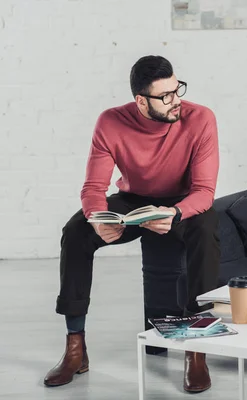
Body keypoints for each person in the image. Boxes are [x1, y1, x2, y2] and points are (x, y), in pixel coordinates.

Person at [43, 55, 221, 393]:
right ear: (141, 100)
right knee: (76, 231)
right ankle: (75, 347)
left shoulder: (200, 118)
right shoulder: (110, 122)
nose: (176, 100)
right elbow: (94, 188)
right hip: (133, 202)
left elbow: (204, 191)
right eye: (165, 95)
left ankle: (196, 349)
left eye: (177, 89)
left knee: (206, 229)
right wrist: (97, 219)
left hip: (181, 204)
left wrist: (176, 213)